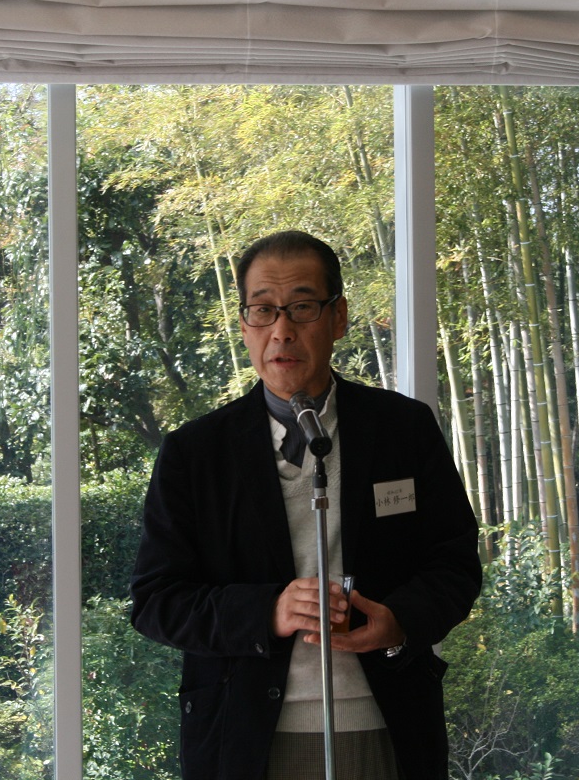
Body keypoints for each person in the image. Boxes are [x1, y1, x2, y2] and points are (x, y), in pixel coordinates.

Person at [130, 230, 482, 780]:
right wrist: (267, 611)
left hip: (385, 726)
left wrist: (398, 622)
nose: (282, 330)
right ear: (244, 325)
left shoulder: (403, 429)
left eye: (302, 307)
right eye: (263, 310)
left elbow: (455, 564)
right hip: (246, 735)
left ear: (338, 317)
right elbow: (156, 600)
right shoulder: (196, 453)